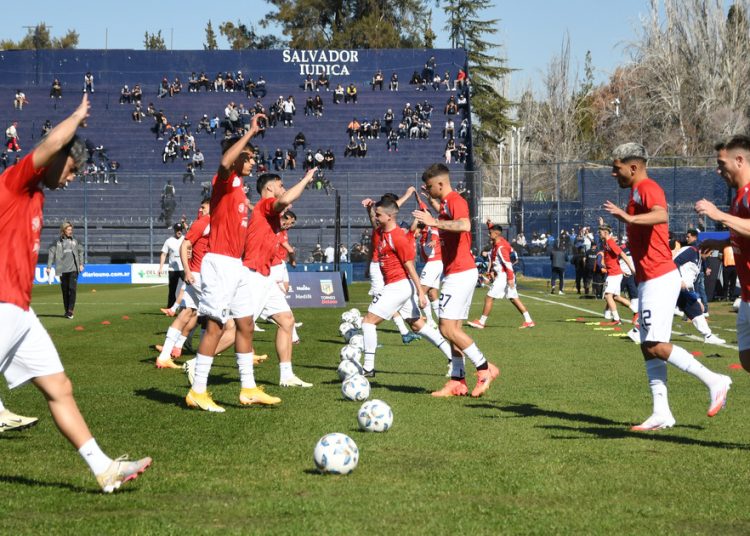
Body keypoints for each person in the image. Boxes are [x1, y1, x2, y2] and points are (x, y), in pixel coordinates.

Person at [0, 94, 150, 491]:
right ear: (56, 159)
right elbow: (48, 146)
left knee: (59, 386)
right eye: (73, 167)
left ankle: (104, 468)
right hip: (1, 307)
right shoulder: (16, 183)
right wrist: (77, 116)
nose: (74, 176)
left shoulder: (35, 196)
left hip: (19, 311)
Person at [604, 142, 731, 431]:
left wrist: (629, 218)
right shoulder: (636, 191)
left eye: (617, 168)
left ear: (633, 167)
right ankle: (661, 411)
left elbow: (661, 214)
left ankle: (715, 380)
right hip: (650, 279)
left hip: (660, 278)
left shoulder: (647, 187)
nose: (614, 173)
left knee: (656, 344)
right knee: (647, 347)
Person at [186, 113, 284, 412]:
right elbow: (225, 162)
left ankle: (248, 388)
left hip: (236, 266)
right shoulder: (225, 180)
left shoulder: (240, 187)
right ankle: (198, 392)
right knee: (215, 327)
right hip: (219, 264)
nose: (254, 161)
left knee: (245, 325)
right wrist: (250, 133)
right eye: (250, 157)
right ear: (238, 155)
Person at [413, 163, 500, 398]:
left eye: (431, 187)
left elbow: (464, 225)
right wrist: (431, 204)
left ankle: (484, 369)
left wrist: (434, 222)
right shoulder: (445, 203)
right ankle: (457, 380)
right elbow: (445, 213)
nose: (429, 190)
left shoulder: (455, 200)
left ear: (441, 184)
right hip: (457, 272)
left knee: (446, 328)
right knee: (453, 330)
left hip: (459, 272)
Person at [360, 198, 455, 377]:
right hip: (398, 286)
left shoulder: (398, 237)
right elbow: (373, 221)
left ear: (389, 216)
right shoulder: (381, 231)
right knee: (418, 325)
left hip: (398, 286)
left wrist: (421, 292)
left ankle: (368, 368)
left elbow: (410, 265)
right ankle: (453, 358)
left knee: (368, 322)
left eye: (379, 214)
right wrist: (369, 209)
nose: (376, 217)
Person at [696, 135, 750, 373]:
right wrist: (722, 243)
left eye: (722, 164)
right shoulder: (738, 197)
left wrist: (720, 216)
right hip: (747, 297)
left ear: (739, 160)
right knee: (746, 360)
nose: (719, 171)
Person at [468, 221, 535, 330]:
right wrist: (489, 224)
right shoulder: (499, 241)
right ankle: (529, 320)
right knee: (514, 298)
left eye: (490, 233)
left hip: (504, 276)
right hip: (504, 275)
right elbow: (495, 232)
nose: (489, 235)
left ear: (496, 234)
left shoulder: (501, 247)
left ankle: (481, 322)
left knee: (489, 298)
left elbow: (508, 264)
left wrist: (509, 279)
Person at [598, 224, 636, 325]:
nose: (599, 234)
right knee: (615, 297)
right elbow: (605, 229)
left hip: (614, 273)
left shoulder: (610, 242)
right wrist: (601, 224)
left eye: (600, 232)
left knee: (607, 295)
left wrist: (631, 268)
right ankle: (637, 311)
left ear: (605, 233)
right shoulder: (606, 241)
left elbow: (622, 254)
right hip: (614, 273)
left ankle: (616, 319)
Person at [45, 221, 84, 319]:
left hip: (73, 269)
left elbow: (81, 251)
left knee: (72, 289)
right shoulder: (57, 242)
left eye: (71, 229)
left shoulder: (76, 240)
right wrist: (49, 267)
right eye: (68, 229)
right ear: (63, 230)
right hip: (62, 269)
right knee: (65, 291)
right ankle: (67, 310)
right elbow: (51, 254)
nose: (70, 231)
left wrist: (81, 264)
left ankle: (70, 311)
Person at [158, 224, 185, 316]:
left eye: (180, 229)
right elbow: (164, 254)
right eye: (177, 229)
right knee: (172, 290)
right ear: (174, 230)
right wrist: (160, 267)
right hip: (172, 269)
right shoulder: (168, 241)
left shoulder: (185, 240)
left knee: (188, 289)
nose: (179, 231)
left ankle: (190, 308)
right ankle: (170, 310)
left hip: (184, 268)